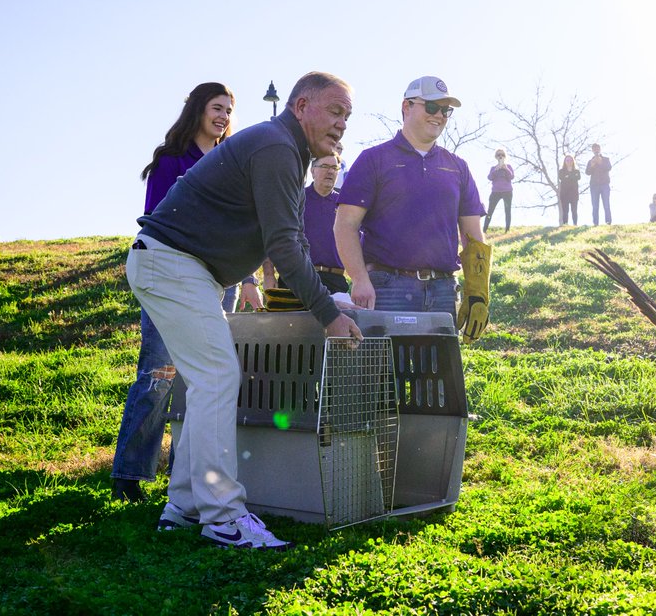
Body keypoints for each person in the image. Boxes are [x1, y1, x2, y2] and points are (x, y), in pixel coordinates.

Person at [128, 72, 362, 550]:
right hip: (172, 264)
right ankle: (223, 516)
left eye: (347, 117)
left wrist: (326, 298)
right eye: (334, 111)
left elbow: (290, 239)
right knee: (218, 375)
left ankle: (186, 505)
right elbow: (284, 245)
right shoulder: (277, 147)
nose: (341, 125)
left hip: (177, 267)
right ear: (300, 107)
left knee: (209, 379)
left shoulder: (286, 152)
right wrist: (329, 315)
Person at [112, 83, 263, 504]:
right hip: (174, 277)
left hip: (221, 282)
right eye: (217, 108)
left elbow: (242, 227)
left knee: (206, 382)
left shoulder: (231, 162)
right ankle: (130, 472)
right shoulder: (170, 161)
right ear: (198, 110)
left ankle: (188, 477)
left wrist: (248, 278)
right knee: (160, 375)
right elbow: (159, 223)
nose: (224, 117)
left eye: (229, 111)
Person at [335, 76, 488, 336]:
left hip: (442, 290)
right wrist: (360, 279)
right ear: (406, 106)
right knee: (386, 374)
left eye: (445, 110)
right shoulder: (373, 160)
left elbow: (473, 235)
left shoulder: (457, 166)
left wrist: (478, 293)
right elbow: (345, 225)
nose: (439, 115)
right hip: (387, 288)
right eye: (431, 107)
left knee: (440, 375)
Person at [262, 153, 349, 295]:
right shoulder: (294, 198)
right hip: (296, 277)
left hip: (335, 281)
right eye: (325, 166)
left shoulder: (345, 205)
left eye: (335, 167)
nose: (330, 171)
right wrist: (268, 274)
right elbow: (272, 235)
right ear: (312, 170)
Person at [483, 149, 514, 232]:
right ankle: (484, 231)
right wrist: (495, 169)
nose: (500, 156)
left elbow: (511, 177)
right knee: (490, 211)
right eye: (499, 155)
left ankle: (507, 230)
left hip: (507, 192)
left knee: (507, 210)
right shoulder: (493, 168)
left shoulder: (509, 167)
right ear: (496, 157)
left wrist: (506, 168)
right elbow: (489, 177)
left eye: (502, 155)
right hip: (495, 192)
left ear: (505, 156)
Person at [585, 143, 612, 226]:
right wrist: (592, 166)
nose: (596, 150)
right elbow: (587, 172)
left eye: (597, 148)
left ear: (600, 149)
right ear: (592, 150)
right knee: (595, 205)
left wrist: (601, 163)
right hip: (594, 186)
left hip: (604, 185)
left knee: (606, 204)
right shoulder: (590, 161)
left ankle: (608, 222)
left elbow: (609, 168)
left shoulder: (606, 159)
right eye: (594, 148)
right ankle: (595, 223)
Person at [557, 155, 581, 226]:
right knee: (565, 211)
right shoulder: (561, 171)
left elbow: (578, 177)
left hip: (574, 194)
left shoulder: (577, 171)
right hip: (564, 194)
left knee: (574, 211)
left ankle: (575, 225)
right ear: (564, 162)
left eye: (570, 160)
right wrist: (572, 177)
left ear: (573, 161)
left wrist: (568, 176)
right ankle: (565, 225)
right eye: (567, 160)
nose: (569, 162)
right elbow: (562, 178)